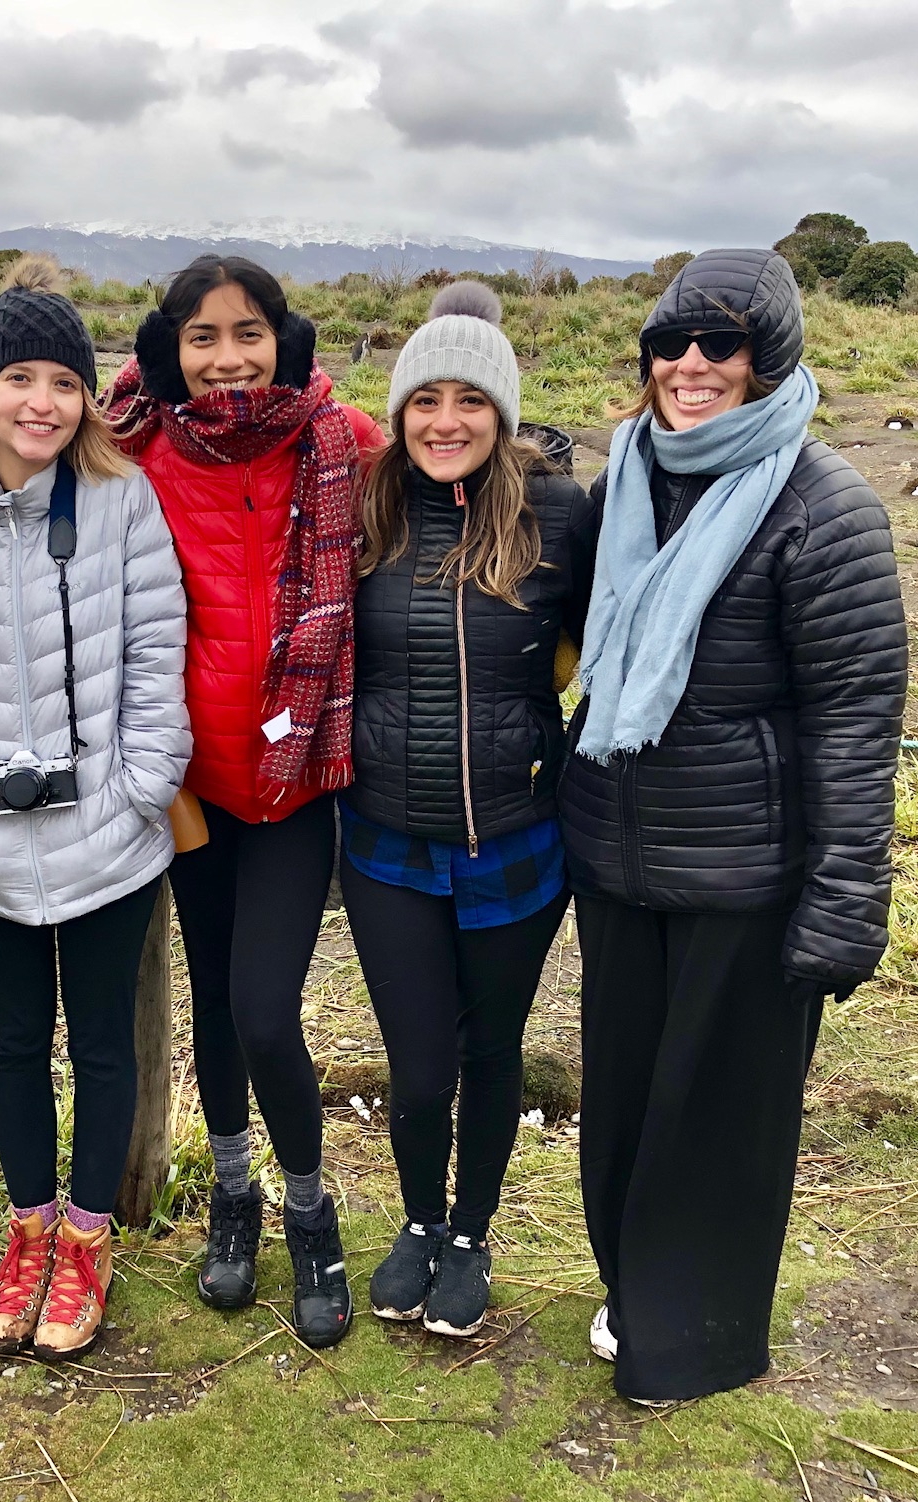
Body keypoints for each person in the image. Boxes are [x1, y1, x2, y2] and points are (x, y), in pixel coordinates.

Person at [557, 250, 907, 1404]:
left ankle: (692, 1338)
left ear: (773, 358)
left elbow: (856, 724)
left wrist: (847, 901)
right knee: (619, 1102)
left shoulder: (824, 507)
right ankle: (630, 1288)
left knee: (718, 1119)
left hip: (751, 876)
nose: (692, 365)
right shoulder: (625, 485)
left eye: (723, 343)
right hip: (616, 857)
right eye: (673, 342)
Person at [0, 259, 189, 1362]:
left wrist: (140, 792)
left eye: (63, 382)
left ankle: (86, 1238)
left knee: (105, 1045)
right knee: (16, 1042)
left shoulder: (123, 500)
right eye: (18, 378)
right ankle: (25, 1231)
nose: (41, 403)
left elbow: (158, 652)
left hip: (109, 836)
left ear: (87, 398)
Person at [105, 255, 382, 1347]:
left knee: (266, 1008)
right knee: (215, 1006)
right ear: (169, 350)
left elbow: (460, 465)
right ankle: (234, 1200)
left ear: (286, 338)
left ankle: (312, 1212)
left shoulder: (342, 443)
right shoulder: (135, 454)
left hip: (298, 780)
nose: (228, 358)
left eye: (249, 332)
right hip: (191, 784)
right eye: (204, 337)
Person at [342, 284, 595, 1337]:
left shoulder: (564, 513)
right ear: (399, 415)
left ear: (502, 410)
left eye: (470, 400)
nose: (446, 421)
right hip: (387, 849)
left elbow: (624, 645)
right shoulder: (363, 510)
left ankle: (471, 1233)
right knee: (419, 1061)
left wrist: (562, 758)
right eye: (425, 401)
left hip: (519, 848)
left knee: (491, 1051)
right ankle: (413, 1220)